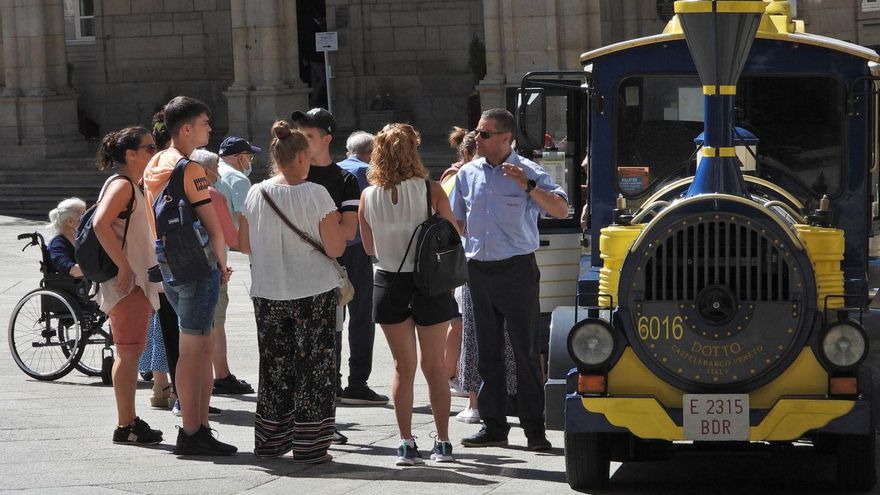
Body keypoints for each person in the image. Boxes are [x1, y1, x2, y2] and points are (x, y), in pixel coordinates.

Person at [450, 108, 569, 452]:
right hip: (478, 271)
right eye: (476, 132)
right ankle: (494, 425)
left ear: (506, 138)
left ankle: (535, 430)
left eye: (485, 134)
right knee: (488, 354)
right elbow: (457, 221)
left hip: (516, 270)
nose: (477, 139)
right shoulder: (468, 173)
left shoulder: (529, 171)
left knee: (526, 352)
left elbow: (561, 210)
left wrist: (527, 186)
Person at [238, 121, 345, 464]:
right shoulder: (316, 194)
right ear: (301, 156)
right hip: (313, 289)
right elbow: (334, 247)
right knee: (315, 366)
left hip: (268, 290)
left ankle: (270, 440)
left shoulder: (256, 192)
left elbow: (242, 243)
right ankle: (310, 444)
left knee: (274, 366)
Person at [358, 123, 457, 466]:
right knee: (435, 366)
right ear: (413, 152)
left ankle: (405, 443)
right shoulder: (431, 190)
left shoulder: (367, 196)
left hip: (388, 283)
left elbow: (369, 246)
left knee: (403, 367)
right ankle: (442, 442)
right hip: (429, 283)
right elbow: (453, 234)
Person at [144, 96, 236, 456]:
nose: (210, 129)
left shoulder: (155, 163)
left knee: (192, 347)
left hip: (169, 262)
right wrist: (221, 264)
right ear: (186, 128)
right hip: (197, 266)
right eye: (204, 123)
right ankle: (194, 430)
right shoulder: (190, 169)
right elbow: (214, 227)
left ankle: (195, 427)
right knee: (196, 350)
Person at [292, 108, 388, 447]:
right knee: (320, 329)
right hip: (309, 262)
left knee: (360, 316)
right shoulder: (294, 177)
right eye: (299, 132)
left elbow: (352, 227)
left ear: (327, 138)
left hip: (351, 254)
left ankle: (356, 383)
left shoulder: (343, 177)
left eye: (309, 133)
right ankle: (327, 393)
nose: (301, 138)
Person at [91, 126, 163, 446]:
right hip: (127, 282)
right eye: (149, 148)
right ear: (130, 154)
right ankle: (125, 425)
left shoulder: (132, 184)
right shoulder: (122, 185)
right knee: (128, 352)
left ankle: (129, 420)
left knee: (130, 351)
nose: (154, 151)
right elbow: (99, 223)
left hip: (134, 279)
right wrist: (123, 266)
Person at [191, 147, 253, 395]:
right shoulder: (213, 196)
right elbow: (232, 237)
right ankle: (222, 375)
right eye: (215, 168)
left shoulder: (175, 191)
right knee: (216, 323)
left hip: (179, 269)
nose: (218, 173)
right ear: (205, 170)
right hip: (211, 268)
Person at [337, 130, 385, 406]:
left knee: (333, 316)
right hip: (358, 249)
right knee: (361, 315)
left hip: (331, 248)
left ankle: (332, 380)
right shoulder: (370, 173)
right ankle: (357, 382)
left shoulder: (333, 170)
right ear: (372, 152)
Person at [211, 136, 262, 395]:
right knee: (216, 317)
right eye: (249, 156)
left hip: (208, 247)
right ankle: (221, 374)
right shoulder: (238, 179)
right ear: (237, 156)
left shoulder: (212, 171)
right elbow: (247, 218)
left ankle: (219, 372)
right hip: (219, 249)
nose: (250, 162)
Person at [47, 197, 86, 276]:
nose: (88, 219)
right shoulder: (57, 244)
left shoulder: (79, 236)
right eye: (83, 216)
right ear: (70, 222)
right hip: (78, 284)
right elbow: (72, 270)